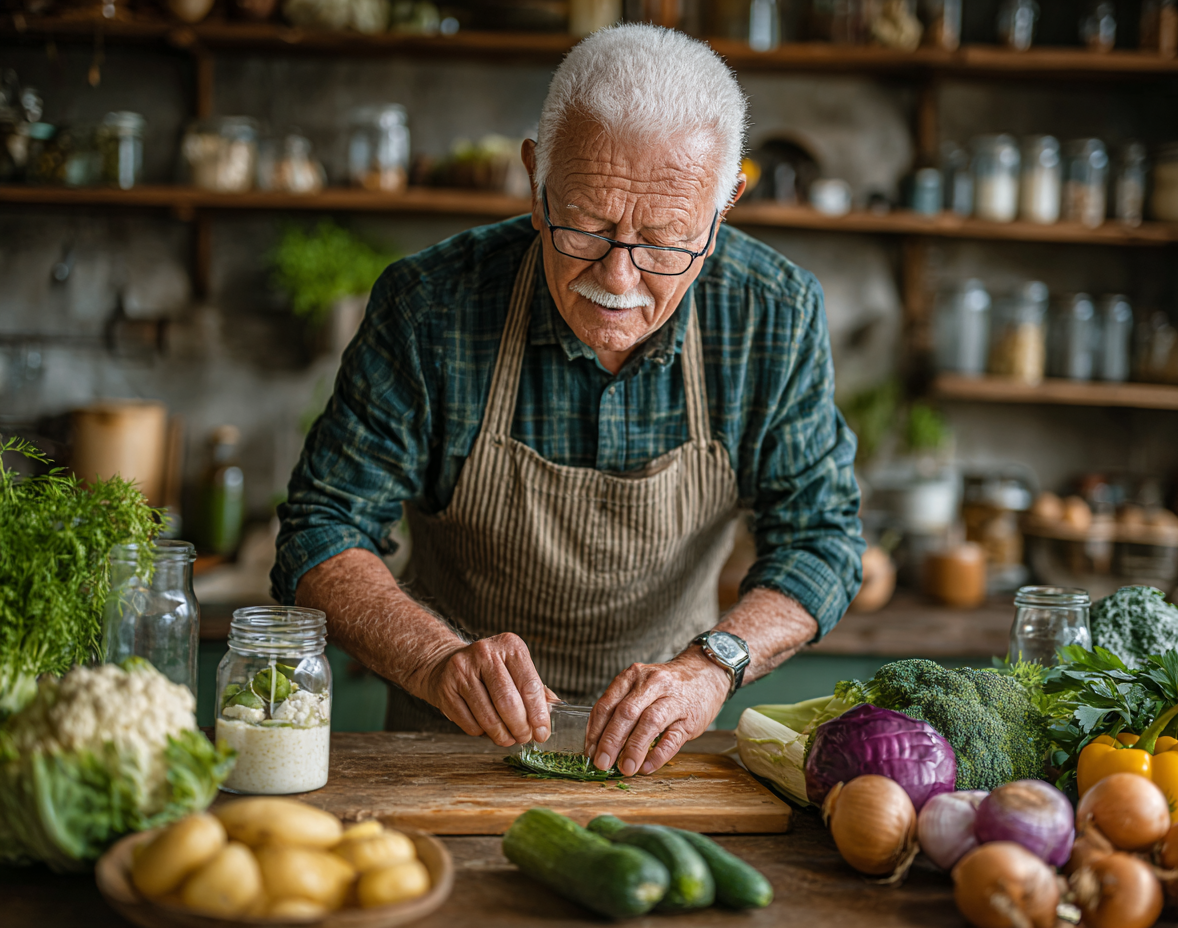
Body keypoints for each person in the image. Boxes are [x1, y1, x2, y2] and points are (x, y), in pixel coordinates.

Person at [273, 24, 864, 778]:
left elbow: (823, 539)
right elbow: (320, 529)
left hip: (667, 751)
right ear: (534, 178)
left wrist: (715, 664)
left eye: (663, 241)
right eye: (584, 225)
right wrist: (436, 662)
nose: (617, 279)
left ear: (722, 212)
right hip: (450, 749)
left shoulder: (772, 314)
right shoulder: (431, 306)